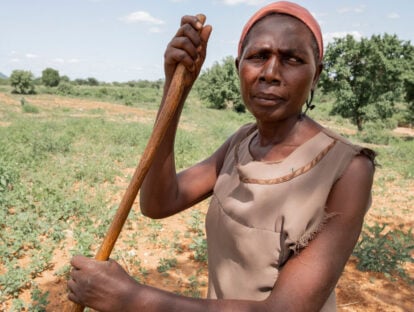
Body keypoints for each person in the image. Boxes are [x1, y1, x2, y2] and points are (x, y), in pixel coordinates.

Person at [67, 1, 376, 311]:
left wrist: (129, 298)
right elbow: (159, 202)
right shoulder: (241, 143)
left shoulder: (348, 169)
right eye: (258, 56)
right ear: (238, 66)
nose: (270, 73)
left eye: (292, 59)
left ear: (317, 75)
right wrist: (176, 89)